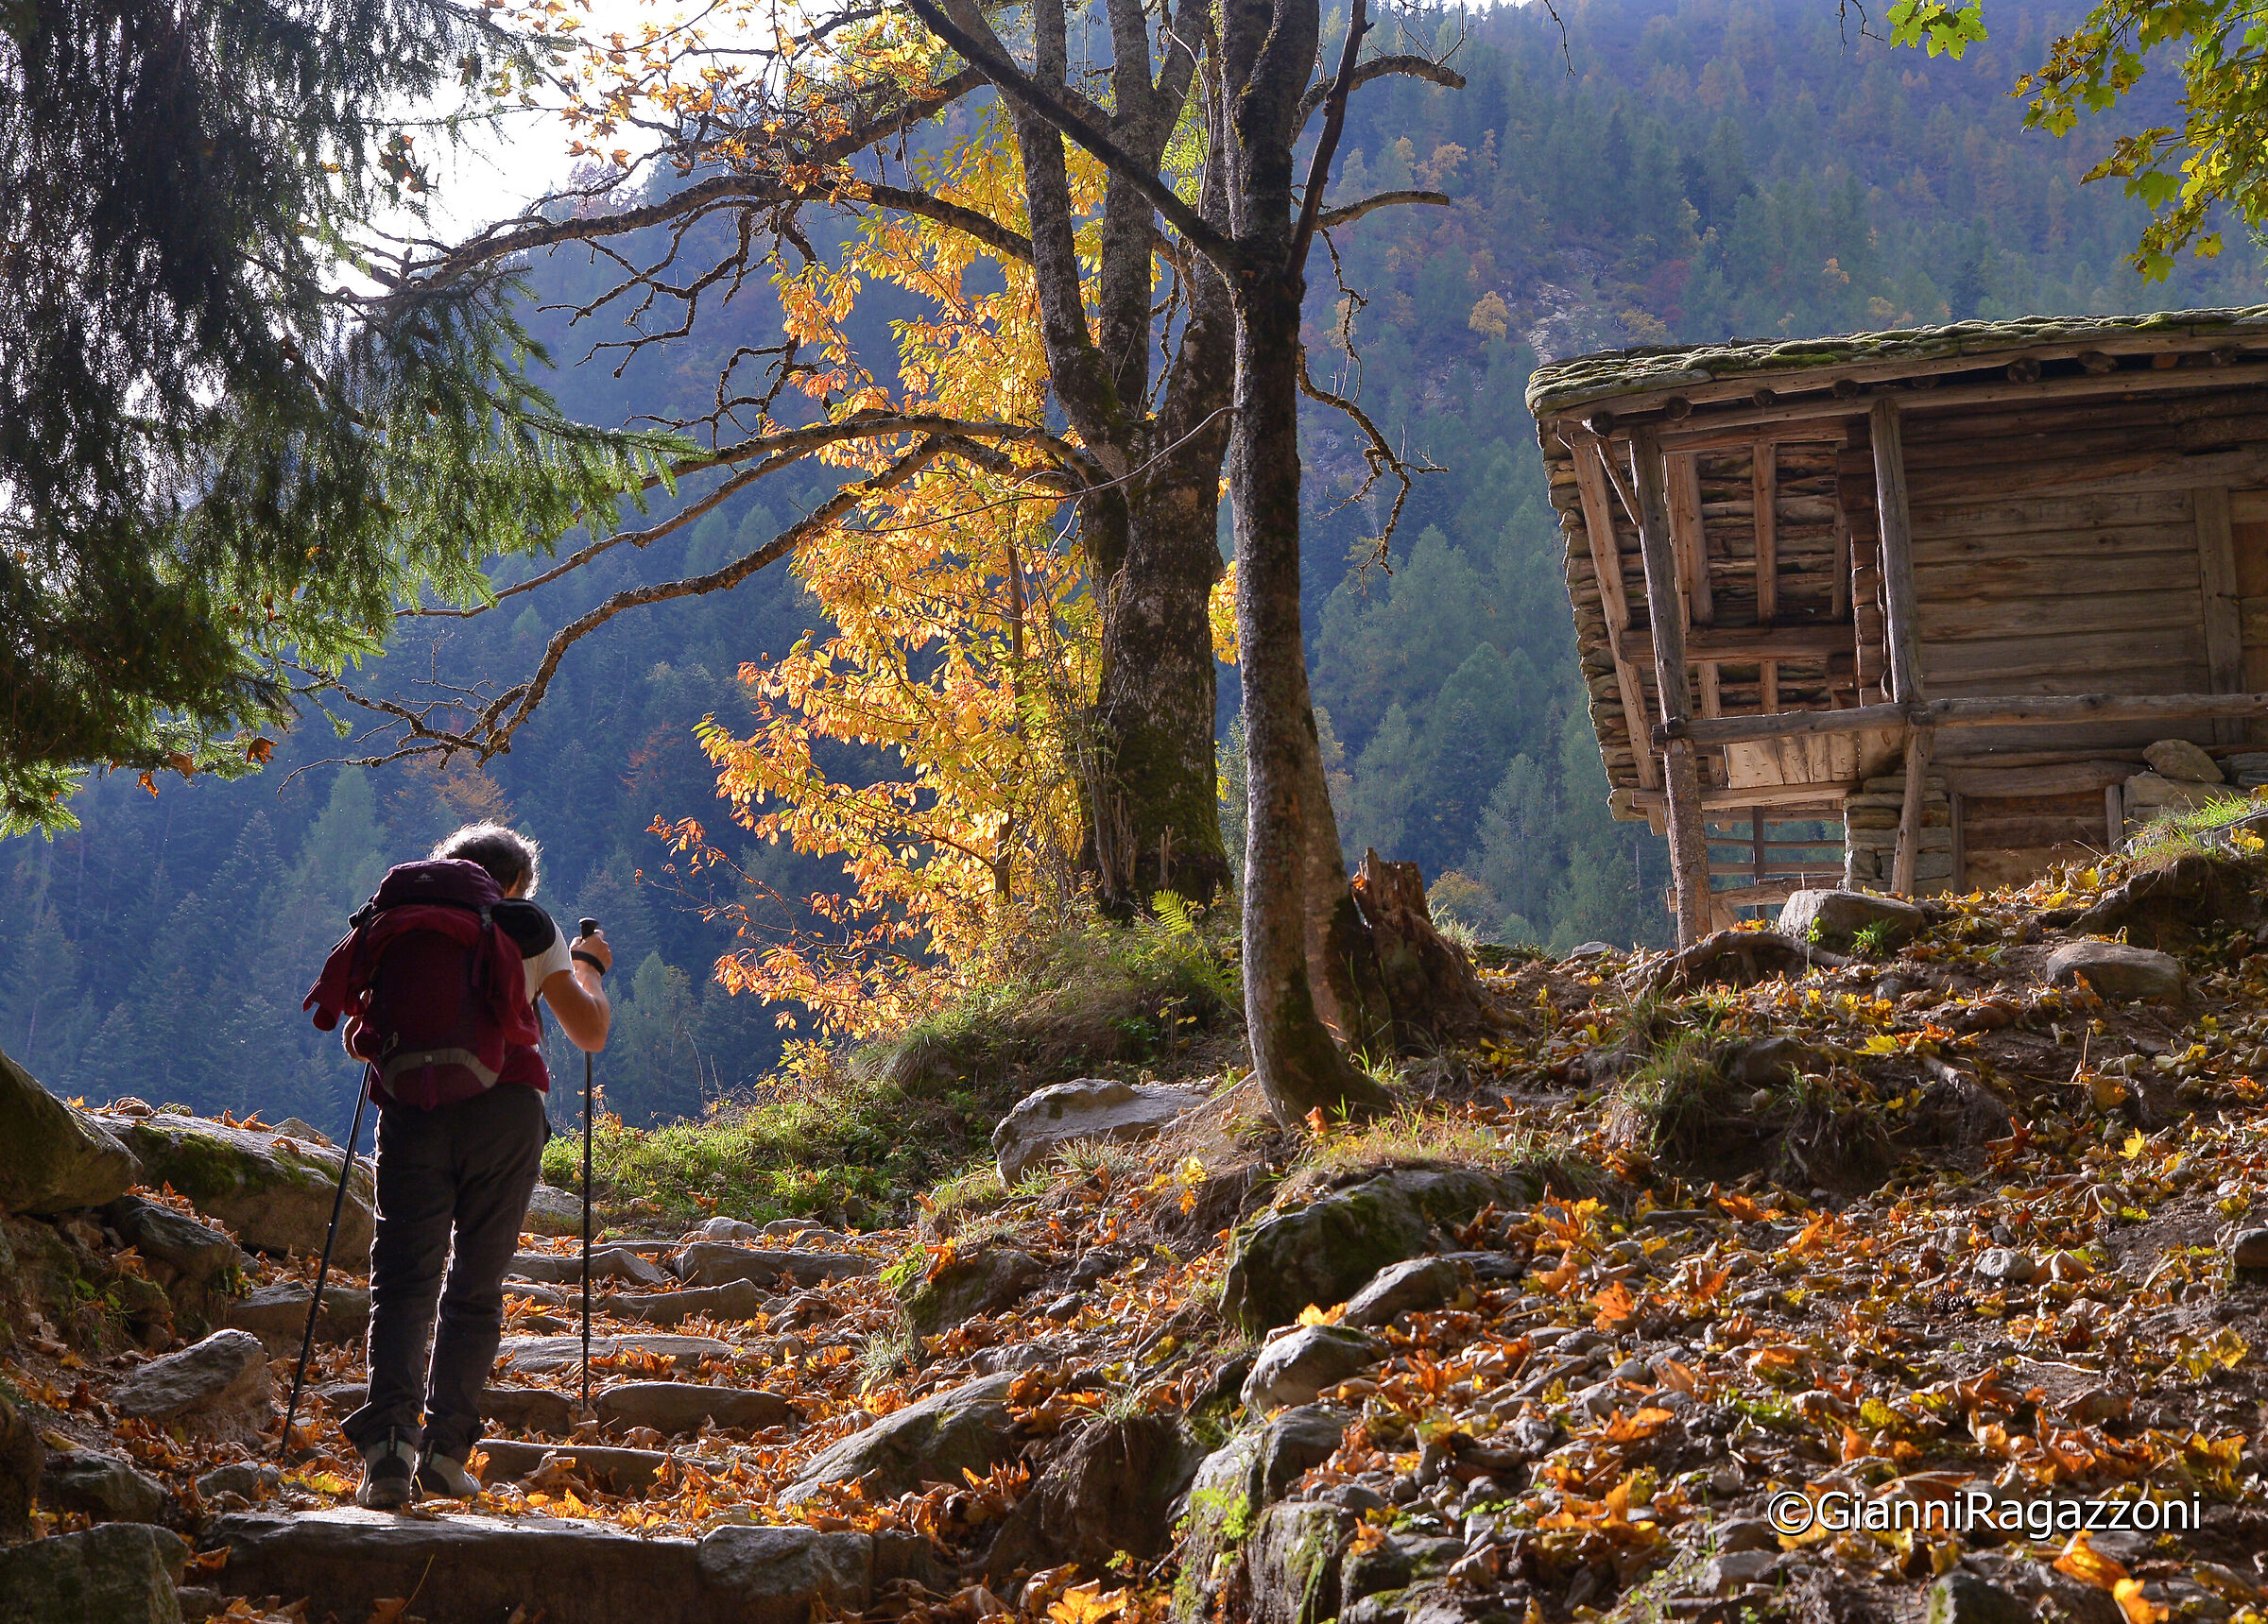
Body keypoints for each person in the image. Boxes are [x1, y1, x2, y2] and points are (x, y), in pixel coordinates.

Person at [342, 823, 611, 1509]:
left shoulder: (401, 922)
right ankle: (446, 1454)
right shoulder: (524, 920)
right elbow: (589, 1031)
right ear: (514, 880)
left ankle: (388, 1457)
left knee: (402, 1281)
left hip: (412, 1113)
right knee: (474, 1286)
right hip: (505, 1113)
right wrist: (587, 967)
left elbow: (357, 1037)